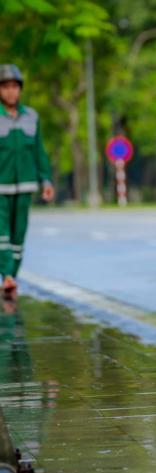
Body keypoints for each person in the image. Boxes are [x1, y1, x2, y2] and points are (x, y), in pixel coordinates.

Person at [0, 64, 54, 302]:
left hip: (26, 185)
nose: (10, 92)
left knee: (19, 236)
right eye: (5, 87)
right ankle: (8, 275)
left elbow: (39, 151)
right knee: (2, 235)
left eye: (14, 86)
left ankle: (13, 276)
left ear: (20, 89)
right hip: (1, 186)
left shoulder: (32, 117)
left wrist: (46, 179)